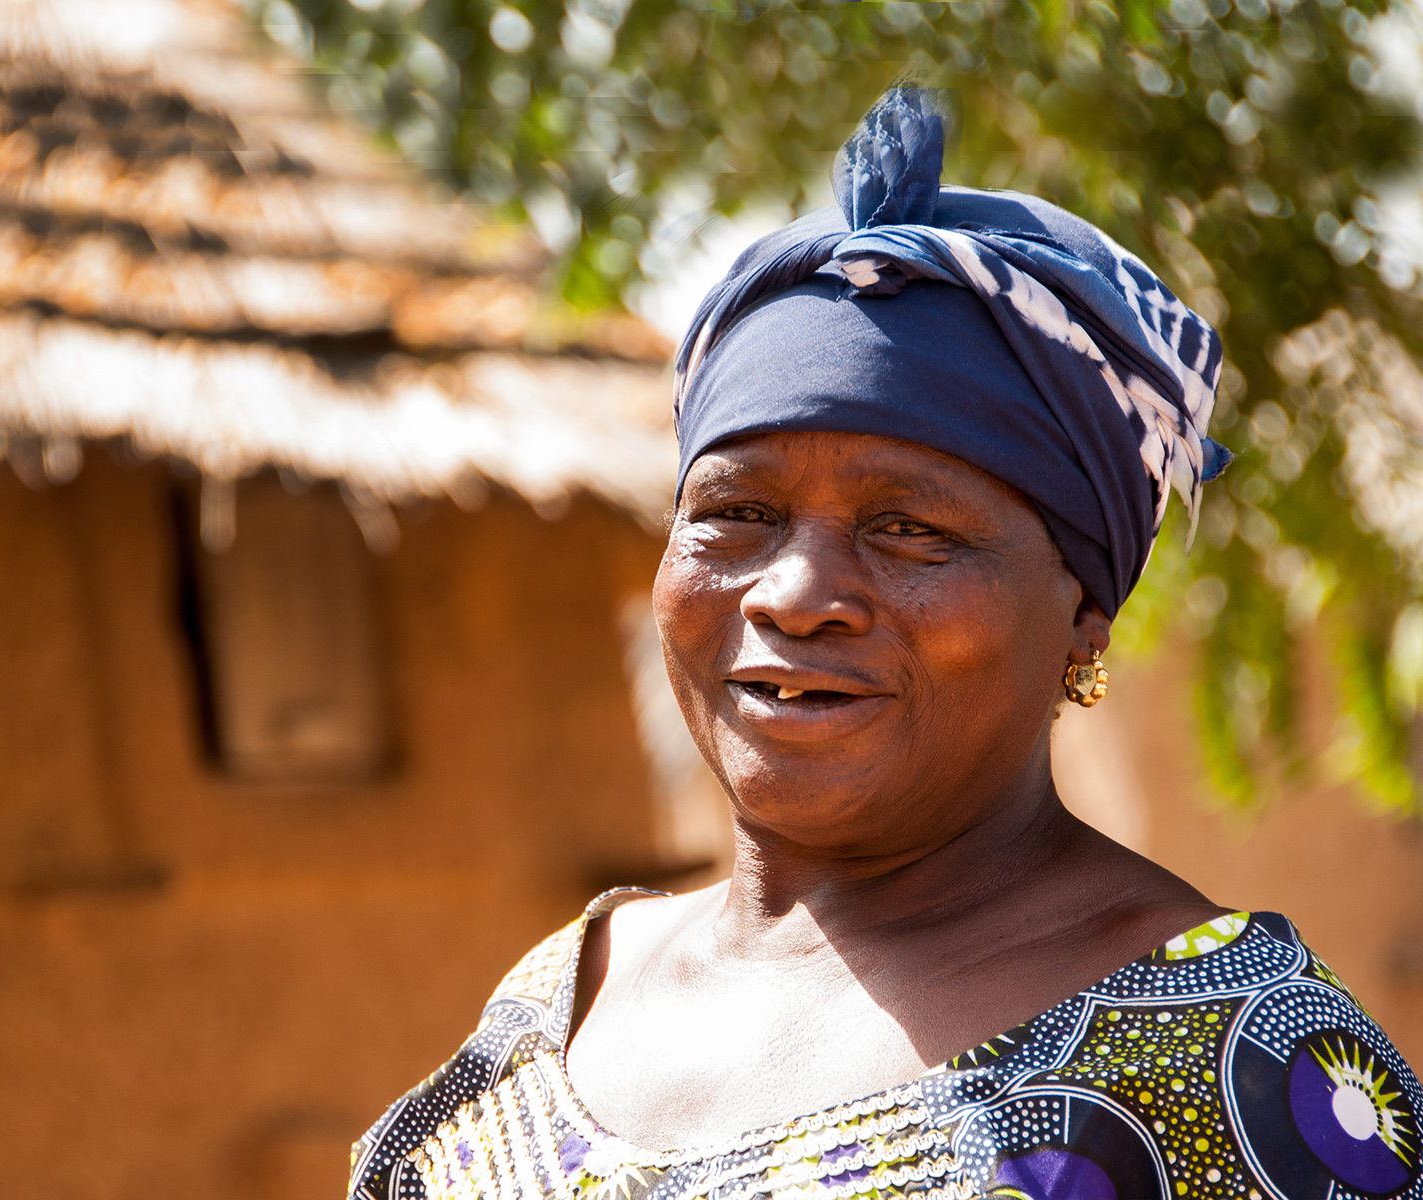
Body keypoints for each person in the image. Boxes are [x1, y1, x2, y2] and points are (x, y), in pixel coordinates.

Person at [348, 89, 1423, 1200]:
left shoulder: (1236, 1064)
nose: (798, 593)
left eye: (911, 530)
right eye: (736, 514)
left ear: (1082, 619)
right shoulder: (556, 1005)